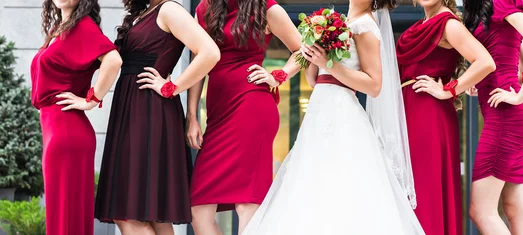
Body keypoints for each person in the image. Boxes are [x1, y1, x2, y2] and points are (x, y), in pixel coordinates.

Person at [240, 0, 425, 234]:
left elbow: (375, 85)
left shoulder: (365, 26)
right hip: (319, 109)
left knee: (340, 182)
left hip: (343, 112)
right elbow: (315, 80)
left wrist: (328, 63)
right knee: (311, 183)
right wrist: (312, 58)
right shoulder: (341, 23)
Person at [94, 0, 220, 234]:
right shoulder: (144, 12)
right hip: (132, 111)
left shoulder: (169, 9)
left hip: (149, 113)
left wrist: (172, 86)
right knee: (153, 216)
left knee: (127, 213)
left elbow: (210, 53)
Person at [185, 0, 301, 233]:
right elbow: (198, 64)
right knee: (197, 208)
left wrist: (278, 75)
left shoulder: (266, 7)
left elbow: (302, 50)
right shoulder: (204, 8)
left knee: (247, 204)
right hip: (217, 115)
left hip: (251, 108)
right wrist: (192, 115)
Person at [396, 0, 496, 234]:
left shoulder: (448, 24)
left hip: (430, 116)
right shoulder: (423, 23)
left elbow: (485, 62)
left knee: (426, 189)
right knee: (411, 192)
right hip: (410, 113)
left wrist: (448, 90)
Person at [31, 0, 122, 234]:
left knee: (66, 217)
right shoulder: (62, 28)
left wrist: (91, 100)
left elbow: (113, 60)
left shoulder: (82, 26)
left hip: (67, 133)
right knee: (62, 215)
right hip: (57, 132)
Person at [463, 0, 523, 234]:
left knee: (481, 211)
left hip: (506, 120)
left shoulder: (500, 3)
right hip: (512, 120)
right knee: (515, 208)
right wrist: (480, 82)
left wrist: (521, 95)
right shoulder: (489, 9)